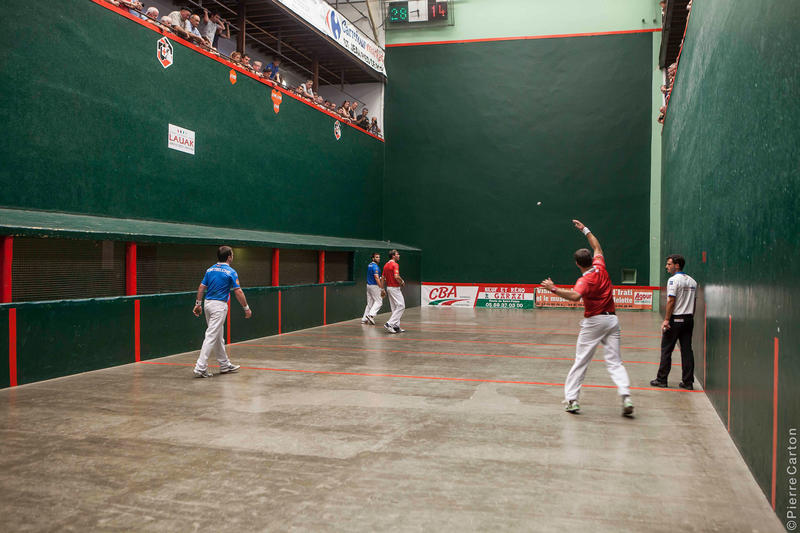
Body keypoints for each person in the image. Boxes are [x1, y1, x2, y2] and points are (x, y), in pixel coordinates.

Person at [540, 220, 633, 416]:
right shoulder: (600, 266)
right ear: (591, 259)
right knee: (615, 362)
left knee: (581, 361)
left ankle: (572, 400)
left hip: (594, 322)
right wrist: (584, 229)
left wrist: (553, 288)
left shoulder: (584, 280)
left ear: (577, 264)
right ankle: (626, 396)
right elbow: (597, 246)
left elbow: (575, 296)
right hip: (612, 321)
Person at [192, 246, 252, 378]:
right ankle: (200, 367)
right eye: (232, 254)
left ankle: (224, 365)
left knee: (218, 337)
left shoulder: (210, 269)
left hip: (208, 304)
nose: (233, 256)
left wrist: (198, 304)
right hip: (219, 307)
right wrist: (246, 308)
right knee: (211, 336)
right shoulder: (231, 272)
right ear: (229, 257)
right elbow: (238, 291)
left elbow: (202, 287)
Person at [650, 254, 697, 389]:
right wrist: (690, 317)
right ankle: (688, 382)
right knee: (687, 351)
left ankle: (662, 380)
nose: (667, 267)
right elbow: (694, 303)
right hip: (688, 319)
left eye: (669, 264)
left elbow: (671, 301)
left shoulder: (673, 280)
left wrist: (666, 320)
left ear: (677, 265)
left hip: (675, 320)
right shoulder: (693, 281)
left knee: (666, 350)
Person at [382, 250, 406, 333]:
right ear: (393, 256)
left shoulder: (386, 265)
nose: (399, 256)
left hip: (389, 288)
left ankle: (396, 326)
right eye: (397, 254)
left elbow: (383, 278)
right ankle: (389, 323)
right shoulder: (395, 264)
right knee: (401, 306)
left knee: (395, 308)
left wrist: (382, 289)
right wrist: (402, 282)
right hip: (395, 288)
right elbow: (396, 276)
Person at [361, 252, 385, 325]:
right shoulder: (375, 267)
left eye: (379, 257)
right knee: (379, 302)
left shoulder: (370, 265)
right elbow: (376, 277)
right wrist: (381, 288)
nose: (378, 258)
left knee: (370, 303)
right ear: (373, 258)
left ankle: (364, 319)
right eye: (377, 257)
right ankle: (371, 315)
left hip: (369, 286)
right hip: (374, 286)